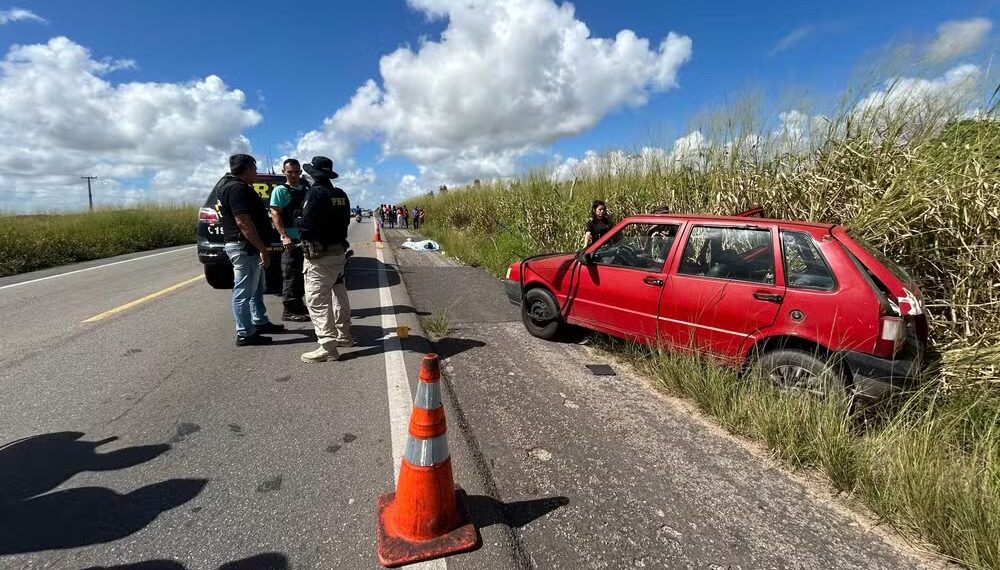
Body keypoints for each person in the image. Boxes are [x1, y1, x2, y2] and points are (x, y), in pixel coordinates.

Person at [214, 154, 285, 346]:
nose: (256, 171)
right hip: (244, 247)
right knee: (243, 291)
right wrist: (262, 248)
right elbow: (243, 223)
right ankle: (245, 333)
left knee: (256, 289)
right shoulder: (236, 189)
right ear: (246, 168)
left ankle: (259, 322)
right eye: (254, 168)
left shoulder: (236, 187)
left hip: (248, 247)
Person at [298, 156, 353, 363]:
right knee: (339, 292)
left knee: (317, 300)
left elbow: (306, 225)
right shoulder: (340, 194)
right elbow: (345, 219)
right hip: (338, 252)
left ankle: (327, 346)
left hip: (319, 256)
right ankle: (344, 335)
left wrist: (297, 218)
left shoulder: (314, 194)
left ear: (313, 175)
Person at [269, 158, 310, 322]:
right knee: (291, 274)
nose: (293, 175)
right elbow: (275, 214)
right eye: (289, 172)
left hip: (305, 239)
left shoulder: (305, 188)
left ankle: (298, 306)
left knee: (303, 275)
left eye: (296, 172)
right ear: (284, 172)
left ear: (300, 172)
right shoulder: (280, 190)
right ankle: (289, 310)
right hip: (290, 240)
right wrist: (284, 236)